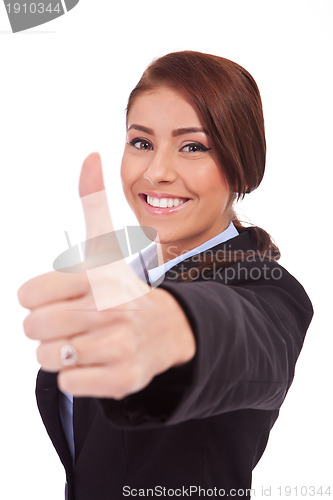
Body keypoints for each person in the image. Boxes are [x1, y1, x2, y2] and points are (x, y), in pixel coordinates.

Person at [18, 51, 313, 500]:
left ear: (242, 165)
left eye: (193, 146)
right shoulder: (118, 283)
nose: (157, 172)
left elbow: (247, 343)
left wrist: (177, 329)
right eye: (141, 142)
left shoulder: (272, 292)